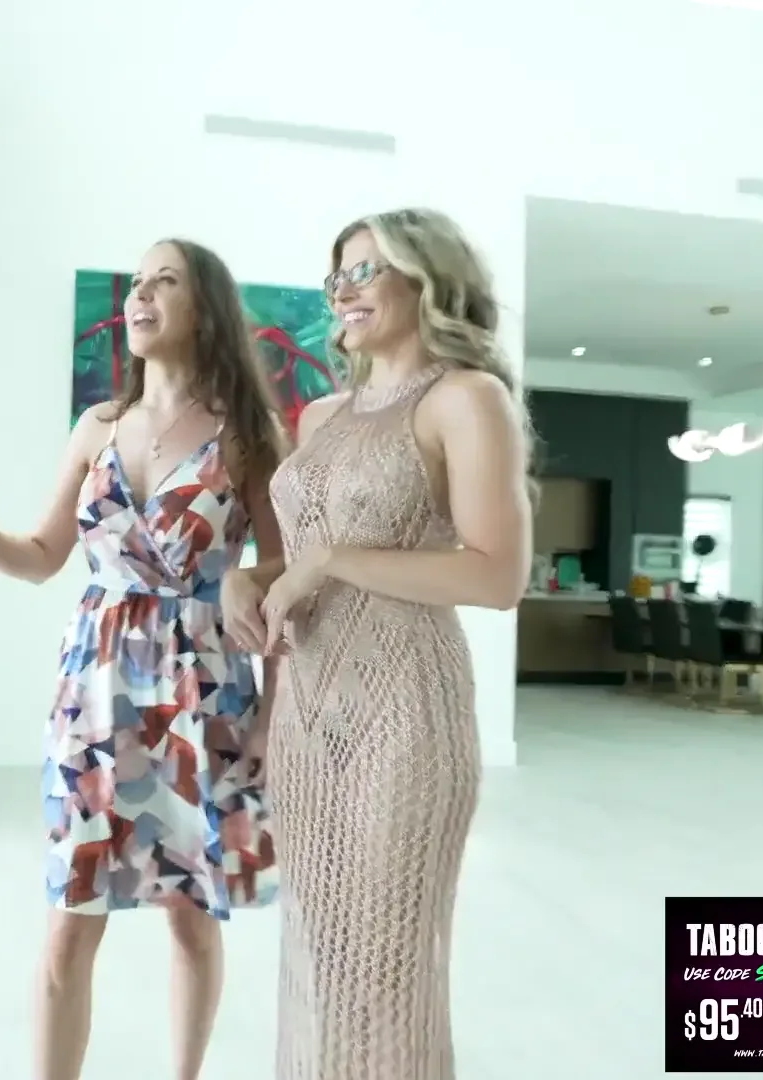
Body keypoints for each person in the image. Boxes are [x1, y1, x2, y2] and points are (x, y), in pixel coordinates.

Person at [0, 239, 286, 1080]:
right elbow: (43, 555)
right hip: (95, 694)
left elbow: (284, 577)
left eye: (166, 280)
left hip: (203, 692)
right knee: (70, 917)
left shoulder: (249, 434)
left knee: (191, 917)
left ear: (206, 308)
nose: (140, 294)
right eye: (137, 282)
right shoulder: (97, 427)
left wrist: (272, 714)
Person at [226, 208, 532, 1079]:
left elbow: (497, 576)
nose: (344, 290)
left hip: (405, 718)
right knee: (316, 961)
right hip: (308, 718)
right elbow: (306, 557)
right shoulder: (323, 416)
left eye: (367, 269)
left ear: (426, 277)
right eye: (338, 275)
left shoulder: (466, 398)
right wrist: (250, 578)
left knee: (388, 974)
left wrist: (326, 561)